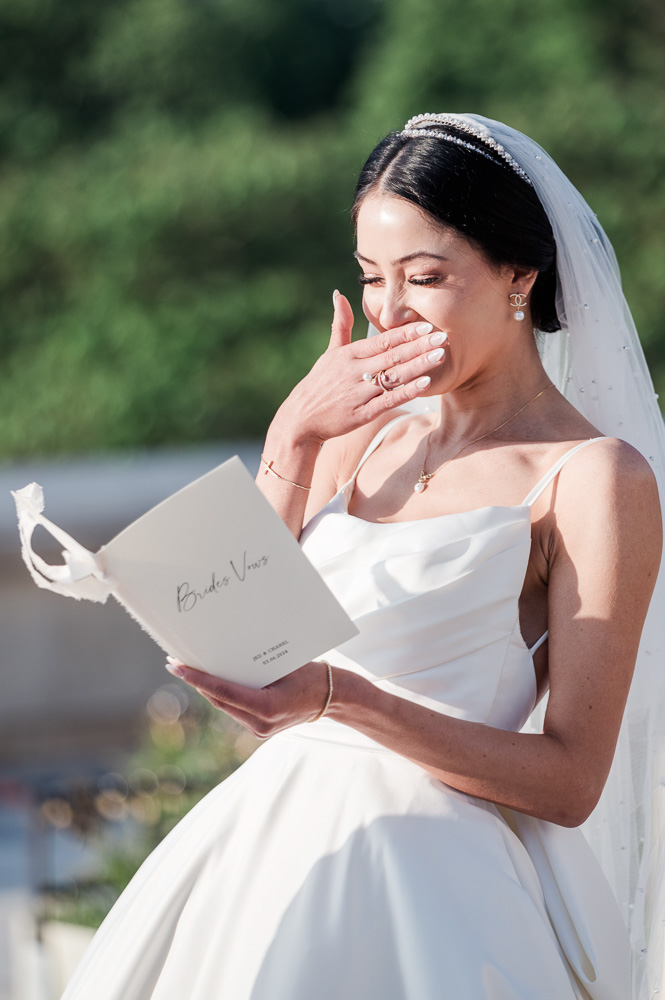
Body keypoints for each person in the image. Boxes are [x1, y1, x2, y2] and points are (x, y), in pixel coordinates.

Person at [61, 114, 665, 1000]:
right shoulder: (360, 436)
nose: (388, 312)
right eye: (370, 278)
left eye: (424, 278)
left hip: (438, 879)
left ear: (518, 276)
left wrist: (342, 699)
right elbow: (242, 647)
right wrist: (294, 436)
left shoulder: (591, 477)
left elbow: (572, 779)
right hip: (264, 846)